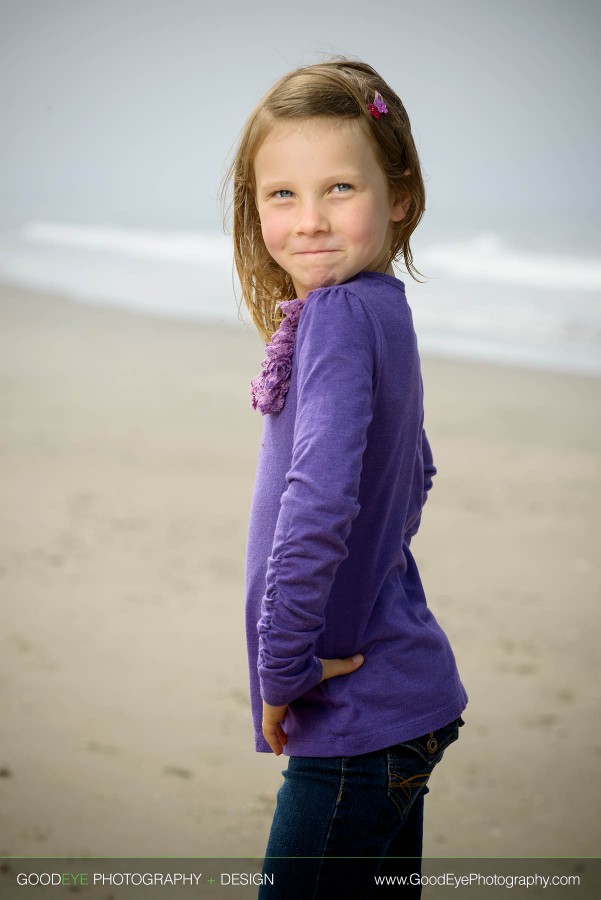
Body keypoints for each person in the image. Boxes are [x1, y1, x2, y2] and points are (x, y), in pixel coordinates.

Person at [221, 58, 468, 899]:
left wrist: (283, 667)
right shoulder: (379, 306)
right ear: (252, 210)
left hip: (356, 723)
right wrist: (372, 581)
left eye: (339, 188)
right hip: (410, 695)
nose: (309, 221)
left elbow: (321, 503)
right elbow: (416, 476)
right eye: (281, 194)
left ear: (397, 195)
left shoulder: (332, 316)